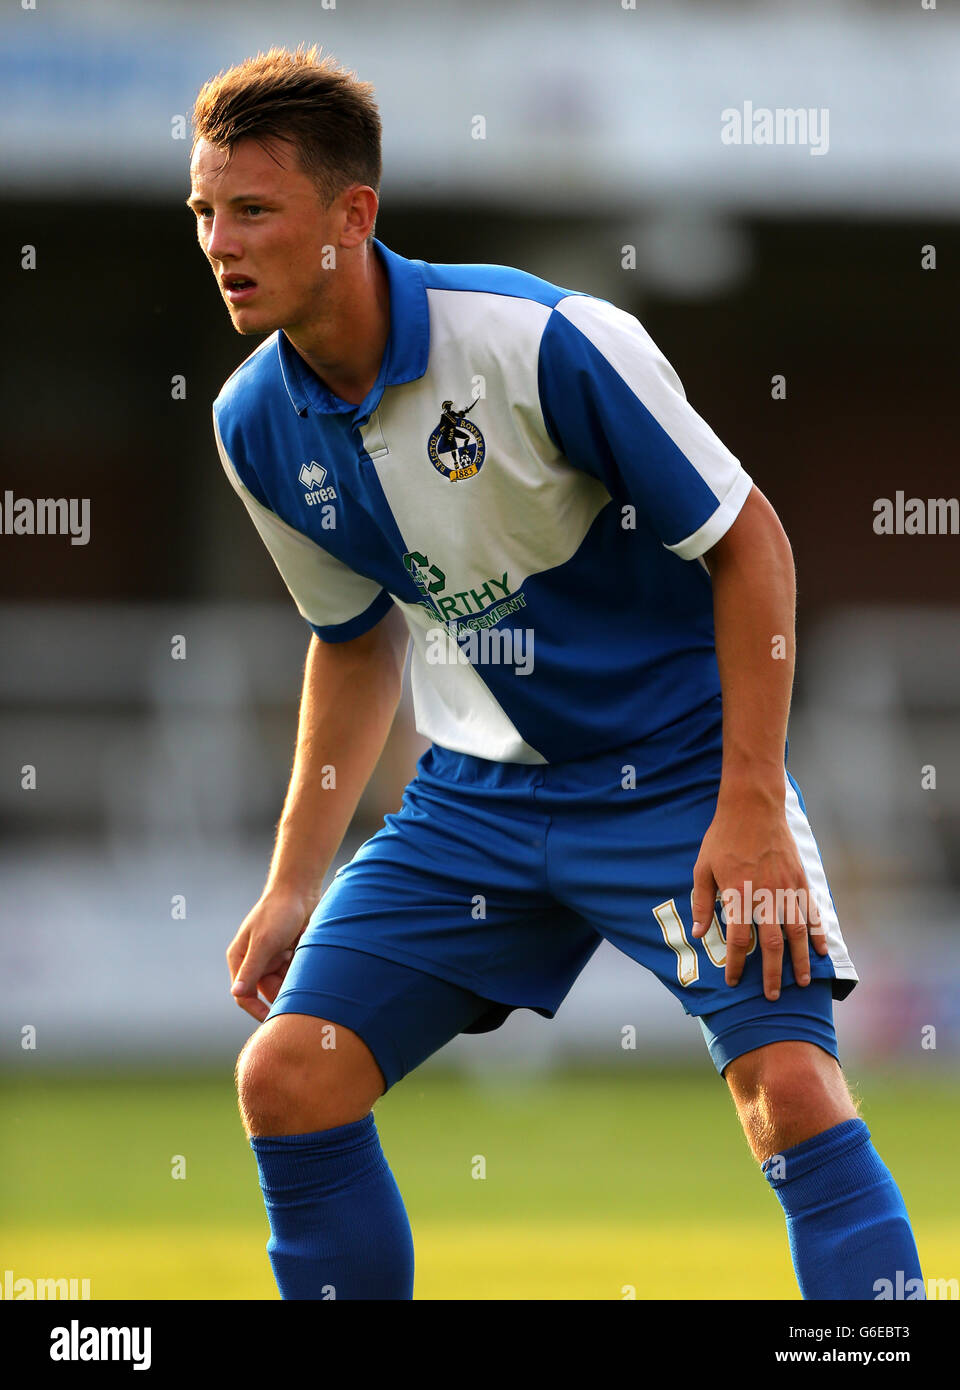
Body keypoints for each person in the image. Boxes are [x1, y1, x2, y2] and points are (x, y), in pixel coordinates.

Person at [187, 44, 924, 1301]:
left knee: (791, 1094)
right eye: (204, 211)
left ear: (351, 216)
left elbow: (754, 545)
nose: (220, 241)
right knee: (289, 1077)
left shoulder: (546, 341)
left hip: (681, 776)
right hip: (474, 800)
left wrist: (748, 806)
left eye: (253, 208)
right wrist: (293, 878)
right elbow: (354, 638)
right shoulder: (253, 421)